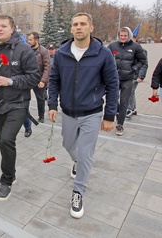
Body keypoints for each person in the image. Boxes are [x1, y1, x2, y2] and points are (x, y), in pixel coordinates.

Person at [48, 12, 119, 219]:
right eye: (75, 24)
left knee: (86, 153)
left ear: (91, 28)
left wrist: (109, 115)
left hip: (92, 112)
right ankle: (77, 163)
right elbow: (54, 80)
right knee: (68, 145)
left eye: (82, 24)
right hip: (68, 112)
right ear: (71, 29)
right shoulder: (61, 53)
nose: (78, 27)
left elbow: (113, 85)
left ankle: (78, 192)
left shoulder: (102, 54)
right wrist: (53, 104)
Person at [0, 14, 40, 201]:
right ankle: (11, 173)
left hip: (18, 104)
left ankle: (6, 181)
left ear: (12, 28)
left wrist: (11, 81)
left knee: (6, 140)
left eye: (4, 26)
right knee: (4, 140)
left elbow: (34, 77)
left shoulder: (24, 50)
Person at [107, 27, 147, 136]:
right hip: (114, 78)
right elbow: (105, 58)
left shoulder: (136, 47)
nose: (123, 38)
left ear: (128, 35)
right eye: (121, 36)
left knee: (124, 102)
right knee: (113, 98)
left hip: (127, 78)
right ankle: (118, 113)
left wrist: (134, 69)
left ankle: (120, 125)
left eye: (125, 36)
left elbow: (142, 60)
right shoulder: (113, 46)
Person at [126, 35, 148, 117]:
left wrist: (141, 76)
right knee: (131, 91)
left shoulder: (141, 50)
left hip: (135, 75)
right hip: (128, 74)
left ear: (135, 39)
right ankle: (134, 108)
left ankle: (130, 109)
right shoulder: (126, 49)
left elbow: (144, 64)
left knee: (130, 91)